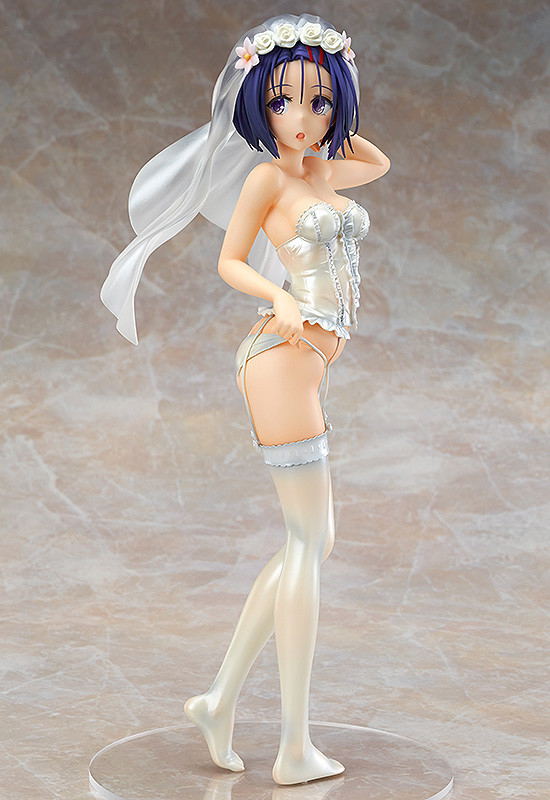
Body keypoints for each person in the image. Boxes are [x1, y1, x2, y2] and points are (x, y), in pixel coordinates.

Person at [100, 12, 390, 786]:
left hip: (307, 363)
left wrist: (334, 93)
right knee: (308, 544)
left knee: (309, 544)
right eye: (282, 101)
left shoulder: (321, 171)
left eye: (319, 102)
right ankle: (293, 747)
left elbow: (377, 160)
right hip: (282, 358)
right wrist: (279, 294)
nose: (302, 118)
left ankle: (219, 699)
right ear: (257, 104)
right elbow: (231, 261)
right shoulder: (268, 179)